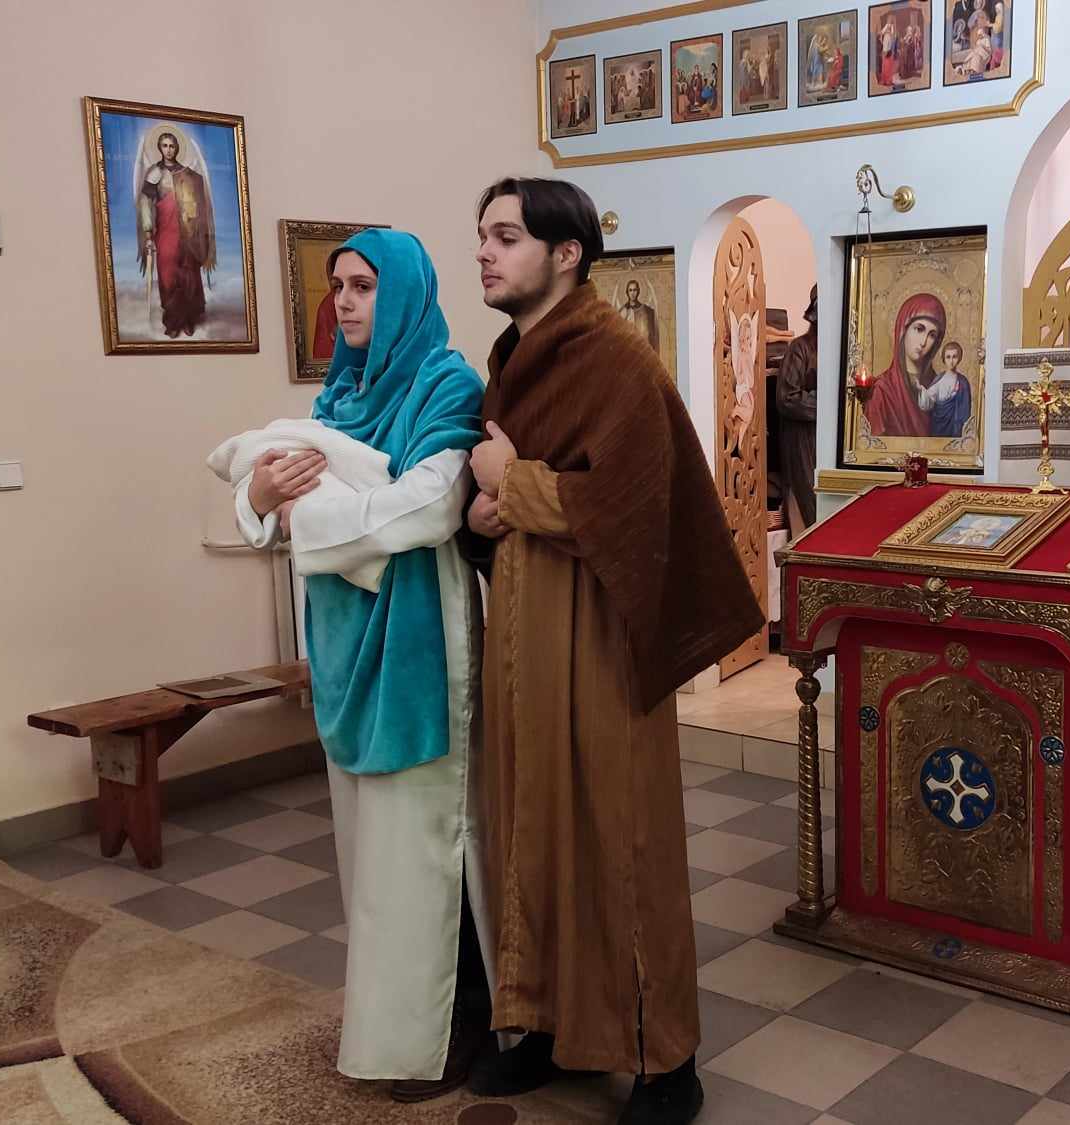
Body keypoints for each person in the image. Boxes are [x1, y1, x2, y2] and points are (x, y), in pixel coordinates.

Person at [462, 177, 762, 1125]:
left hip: (600, 628)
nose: (485, 253)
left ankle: (665, 1058)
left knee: (618, 836)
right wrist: (483, 510)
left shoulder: (615, 357)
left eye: (506, 237)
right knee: (531, 826)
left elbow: (635, 501)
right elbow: (498, 492)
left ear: (566, 255)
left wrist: (513, 483)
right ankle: (548, 1028)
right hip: (522, 631)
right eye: (482, 236)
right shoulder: (513, 360)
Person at [230, 230, 489, 1101]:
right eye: (337, 285)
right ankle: (394, 1026)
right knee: (372, 863)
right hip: (345, 646)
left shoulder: (446, 383)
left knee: (430, 846)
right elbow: (267, 493)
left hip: (418, 644)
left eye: (364, 285)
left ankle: (451, 1030)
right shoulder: (338, 395)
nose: (343, 301)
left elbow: (432, 506)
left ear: (405, 291)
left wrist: (305, 516)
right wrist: (261, 495)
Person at [137, 131, 216, 339]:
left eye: (172, 146)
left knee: (189, 273)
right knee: (168, 275)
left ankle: (188, 319)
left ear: (177, 148)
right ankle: (173, 321)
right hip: (166, 231)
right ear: (159, 148)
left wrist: (201, 233)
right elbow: (145, 202)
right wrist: (148, 232)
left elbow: (199, 206)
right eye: (164, 145)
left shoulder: (188, 174)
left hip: (188, 233)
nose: (168, 150)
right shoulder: (155, 173)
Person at [864, 292, 947, 437]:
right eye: (919, 329)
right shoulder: (882, 391)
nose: (923, 342)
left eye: (932, 335)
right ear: (903, 329)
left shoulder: (939, 386)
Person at [773, 286, 820, 528]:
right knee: (808, 507)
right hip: (803, 440)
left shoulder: (842, 351)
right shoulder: (799, 348)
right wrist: (826, 404)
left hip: (826, 441)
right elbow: (787, 398)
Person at [922, 340, 973, 439]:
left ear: (959, 358)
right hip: (937, 426)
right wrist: (921, 391)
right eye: (948, 357)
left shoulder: (963, 382)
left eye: (954, 357)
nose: (951, 361)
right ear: (944, 359)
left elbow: (965, 410)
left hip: (955, 426)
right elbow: (928, 399)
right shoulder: (939, 379)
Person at [617, 279, 661, 352]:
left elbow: (649, 336)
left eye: (635, 290)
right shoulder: (622, 311)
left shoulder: (646, 311)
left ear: (638, 291)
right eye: (630, 290)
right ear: (627, 292)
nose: (632, 293)